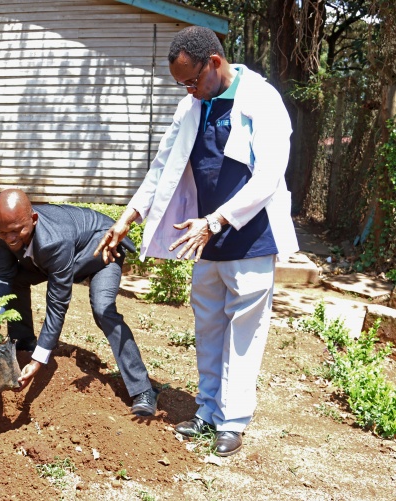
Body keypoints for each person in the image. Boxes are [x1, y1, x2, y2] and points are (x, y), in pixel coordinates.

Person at [95, 26, 298, 456]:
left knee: (244, 333)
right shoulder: (192, 106)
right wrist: (127, 218)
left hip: (250, 238)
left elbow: (268, 176)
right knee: (207, 328)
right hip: (203, 238)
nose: (188, 90)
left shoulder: (262, 100)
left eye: (192, 80)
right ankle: (207, 412)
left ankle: (233, 421)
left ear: (215, 63)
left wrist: (218, 219)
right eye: (182, 84)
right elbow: (162, 167)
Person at [0, 189, 159, 416]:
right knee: (16, 281)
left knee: (103, 309)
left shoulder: (54, 241)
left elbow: (57, 304)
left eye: (16, 231)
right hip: (61, 256)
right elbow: (3, 275)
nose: (10, 239)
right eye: (4, 233)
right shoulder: (2, 227)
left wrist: (40, 360)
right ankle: (23, 343)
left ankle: (143, 389)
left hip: (101, 251)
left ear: (34, 219)